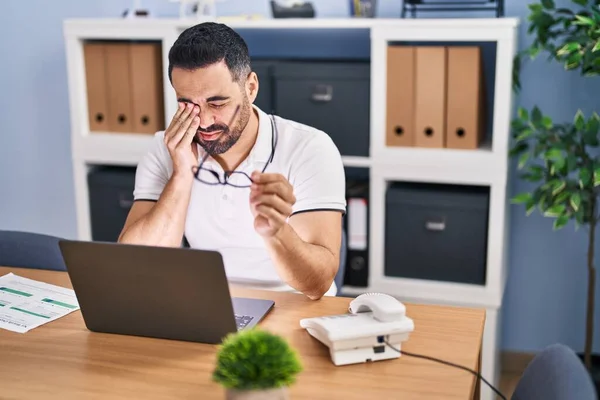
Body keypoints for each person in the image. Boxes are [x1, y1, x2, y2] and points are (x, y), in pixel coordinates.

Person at [118, 22, 346, 300]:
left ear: (250, 88)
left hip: (293, 305)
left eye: (217, 103)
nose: (203, 120)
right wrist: (182, 175)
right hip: (209, 303)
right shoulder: (166, 147)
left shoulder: (309, 148)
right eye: (187, 104)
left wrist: (276, 232)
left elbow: (317, 283)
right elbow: (136, 263)